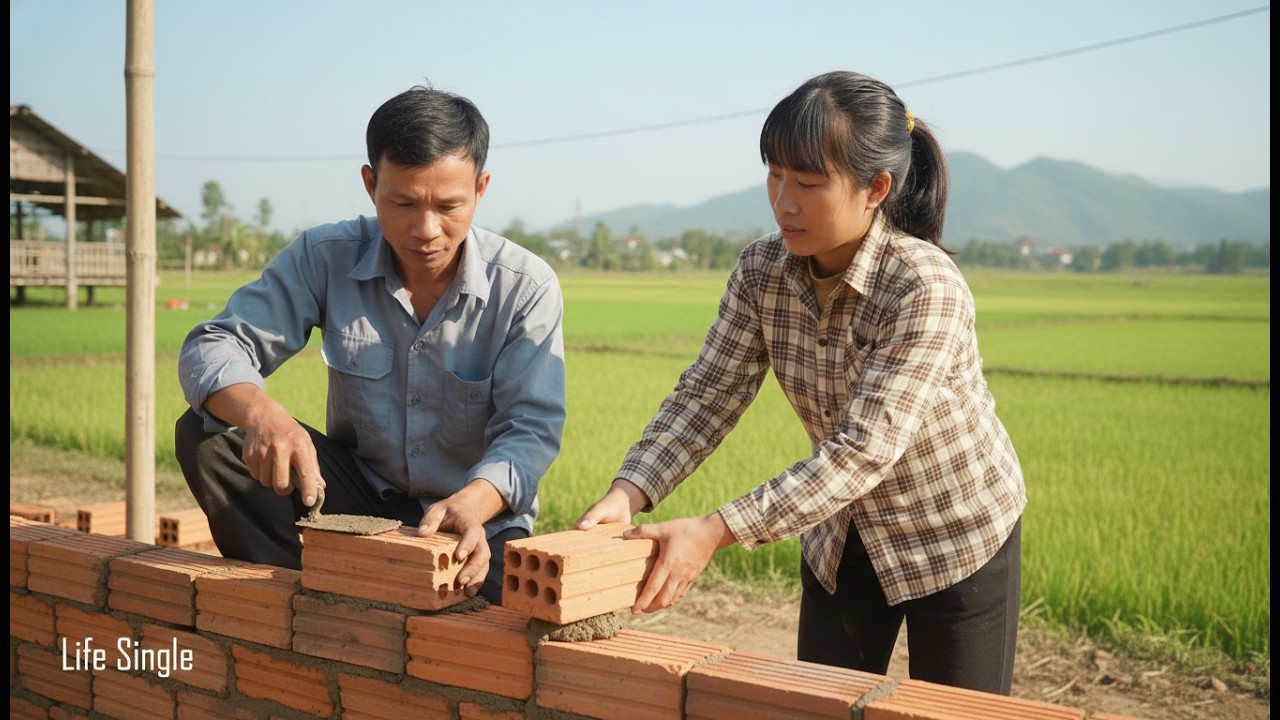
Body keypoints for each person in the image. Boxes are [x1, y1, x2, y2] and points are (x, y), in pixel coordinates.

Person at [575, 71, 1025, 694]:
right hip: (839, 535)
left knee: (955, 714)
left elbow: (863, 448)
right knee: (820, 705)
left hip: (953, 537)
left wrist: (712, 532)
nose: (784, 201)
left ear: (877, 189)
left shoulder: (924, 288)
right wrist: (629, 492)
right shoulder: (762, 270)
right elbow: (708, 393)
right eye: (774, 174)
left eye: (809, 183)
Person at [176, 86, 566, 605]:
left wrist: (474, 502)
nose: (426, 230)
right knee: (211, 436)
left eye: (449, 206)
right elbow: (214, 344)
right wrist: (263, 414)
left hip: (472, 524)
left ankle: (368, 592)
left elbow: (531, 430)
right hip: (354, 504)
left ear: (481, 188)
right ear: (369, 183)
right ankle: (306, 605)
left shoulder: (525, 286)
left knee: (490, 629)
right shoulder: (325, 256)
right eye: (402, 202)